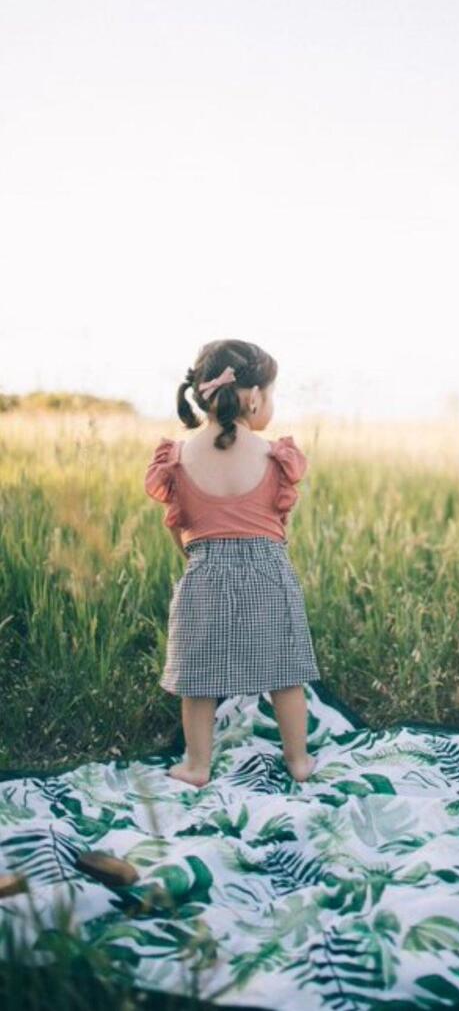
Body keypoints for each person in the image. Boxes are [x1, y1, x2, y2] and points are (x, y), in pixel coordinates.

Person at [144, 338, 320, 789]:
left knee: (198, 680)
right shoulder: (273, 455)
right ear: (256, 396)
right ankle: (298, 761)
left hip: (204, 573)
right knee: (286, 673)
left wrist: (202, 558)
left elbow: (176, 526)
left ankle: (197, 765)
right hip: (268, 570)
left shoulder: (178, 458)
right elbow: (279, 524)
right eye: (272, 393)